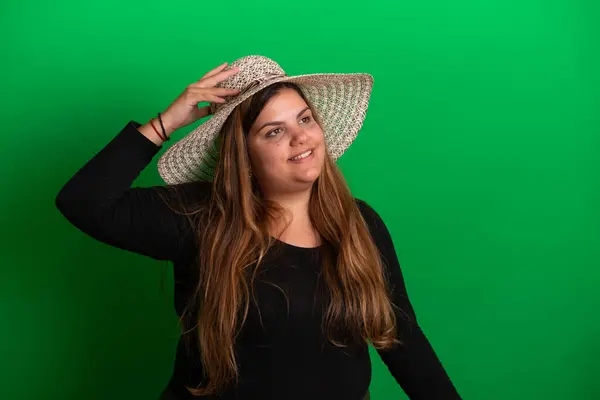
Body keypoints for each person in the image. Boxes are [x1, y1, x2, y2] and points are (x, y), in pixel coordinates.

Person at [55, 55, 461, 400]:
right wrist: (165, 123)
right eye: (274, 131)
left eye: (304, 118)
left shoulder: (361, 223)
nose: (300, 138)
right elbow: (84, 202)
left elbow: (401, 336)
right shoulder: (201, 216)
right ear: (243, 154)